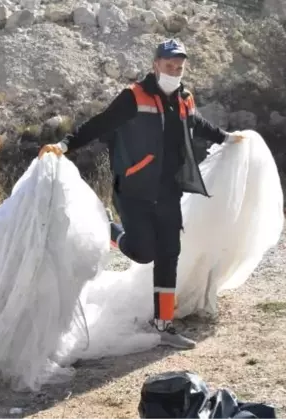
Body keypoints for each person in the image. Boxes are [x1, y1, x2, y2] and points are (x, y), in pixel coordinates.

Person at [39, 38, 245, 350]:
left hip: (169, 191)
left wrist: (226, 138)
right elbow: (100, 123)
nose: (174, 72)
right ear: (156, 65)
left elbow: (196, 123)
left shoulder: (185, 98)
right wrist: (65, 145)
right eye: (168, 66)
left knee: (168, 254)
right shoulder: (134, 97)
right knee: (144, 252)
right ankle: (109, 229)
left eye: (179, 67)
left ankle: (163, 324)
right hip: (134, 190)